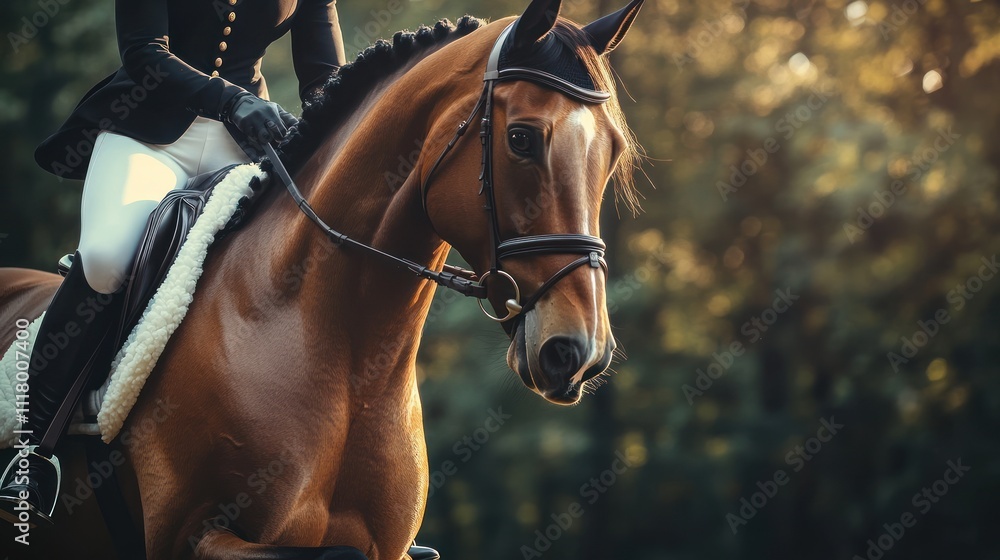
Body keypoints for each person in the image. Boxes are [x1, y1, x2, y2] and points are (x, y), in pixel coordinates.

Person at [0, 0, 346, 524]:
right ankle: (31, 452)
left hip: (245, 145)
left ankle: (349, 489)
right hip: (147, 134)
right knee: (106, 260)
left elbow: (325, 78)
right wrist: (231, 100)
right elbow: (144, 55)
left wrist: (333, 135)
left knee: (318, 269)